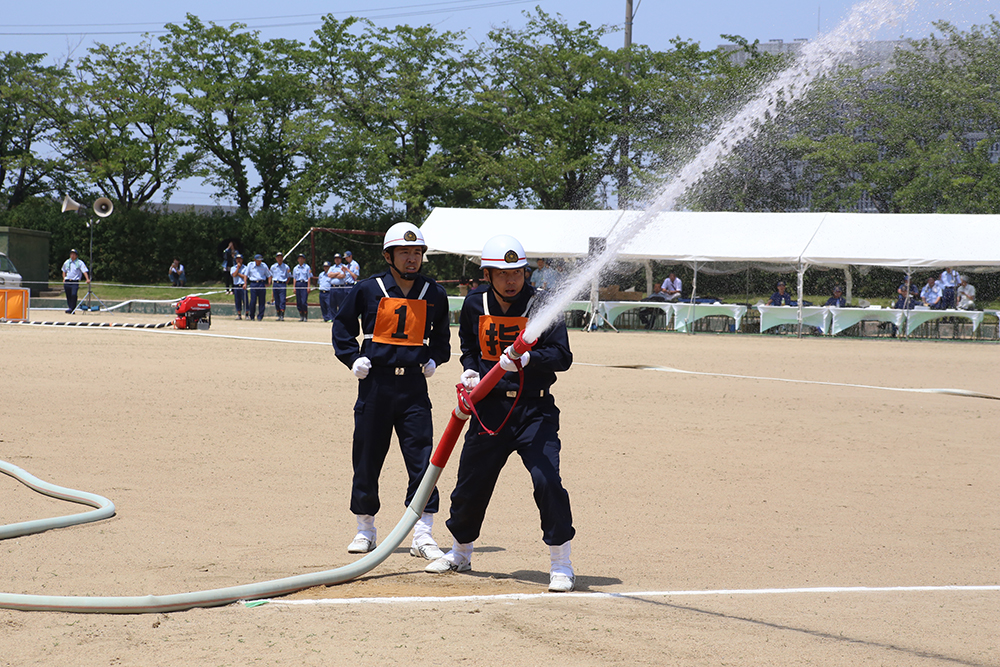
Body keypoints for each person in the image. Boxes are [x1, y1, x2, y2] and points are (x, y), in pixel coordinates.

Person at [425, 234, 577, 593]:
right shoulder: (475, 303)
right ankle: (461, 551)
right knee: (470, 484)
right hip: (488, 409)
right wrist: (470, 370)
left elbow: (563, 357)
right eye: (503, 274)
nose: (512, 281)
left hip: (534, 409)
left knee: (546, 480)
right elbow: (468, 345)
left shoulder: (544, 305)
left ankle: (561, 562)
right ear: (487, 275)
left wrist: (529, 358)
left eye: (518, 273)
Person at [332, 222, 450, 560]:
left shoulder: (434, 293)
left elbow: (442, 337)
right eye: (405, 253)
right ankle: (365, 528)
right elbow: (342, 326)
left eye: (417, 253)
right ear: (389, 256)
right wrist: (352, 358)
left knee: (423, 460)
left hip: (414, 387)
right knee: (367, 457)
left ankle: (423, 533)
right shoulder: (368, 289)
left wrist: (434, 359)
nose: (412, 259)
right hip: (376, 384)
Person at [61, 248, 90, 314]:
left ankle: (72, 308)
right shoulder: (67, 262)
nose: (72, 256)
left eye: (74, 254)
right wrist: (64, 278)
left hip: (74, 281)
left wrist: (87, 279)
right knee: (68, 295)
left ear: (76, 255)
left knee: (74, 294)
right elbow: (63, 270)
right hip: (67, 281)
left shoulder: (79, 263)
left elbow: (84, 271)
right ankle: (70, 308)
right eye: (71, 254)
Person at [246, 254, 272, 321]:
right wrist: (245, 283)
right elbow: (246, 275)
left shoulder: (264, 265)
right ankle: (252, 316)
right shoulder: (250, 265)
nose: (259, 262)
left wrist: (269, 283)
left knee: (262, 301)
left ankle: (260, 316)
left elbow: (269, 275)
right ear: (255, 260)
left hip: (261, 283)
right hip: (253, 283)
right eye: (258, 260)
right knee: (253, 301)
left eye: (260, 260)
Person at [269, 252, 292, 321]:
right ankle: (278, 314)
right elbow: (271, 275)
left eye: (281, 257)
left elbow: (288, 277)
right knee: (277, 300)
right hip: (275, 283)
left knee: (282, 300)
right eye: (278, 257)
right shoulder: (273, 267)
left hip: (282, 284)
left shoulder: (286, 267)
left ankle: (282, 315)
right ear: (276, 258)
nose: (279, 259)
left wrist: (285, 283)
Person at [293, 253, 313, 321]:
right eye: (299, 258)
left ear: (304, 259)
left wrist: (308, 286)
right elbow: (294, 278)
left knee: (303, 301)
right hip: (298, 284)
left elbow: (309, 277)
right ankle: (301, 315)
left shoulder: (307, 267)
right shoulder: (295, 268)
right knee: (298, 301)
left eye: (302, 258)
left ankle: (305, 315)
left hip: (304, 283)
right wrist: (294, 287)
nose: (300, 259)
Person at [231, 253, 248, 319]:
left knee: (245, 300)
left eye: (240, 259)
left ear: (242, 260)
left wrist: (238, 274)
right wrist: (237, 268)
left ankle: (246, 314)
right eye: (237, 259)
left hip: (243, 285)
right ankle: (239, 315)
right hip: (236, 285)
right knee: (237, 300)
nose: (239, 260)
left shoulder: (245, 268)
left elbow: (245, 276)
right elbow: (234, 275)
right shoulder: (233, 268)